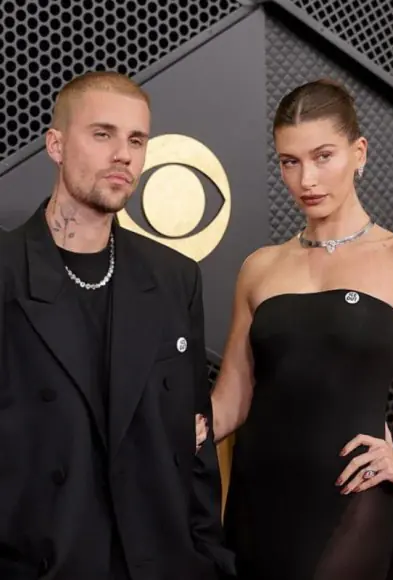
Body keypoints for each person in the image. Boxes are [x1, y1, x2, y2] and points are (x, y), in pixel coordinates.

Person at [204, 79, 393, 580]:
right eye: (290, 161)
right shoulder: (260, 267)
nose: (306, 178)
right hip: (255, 497)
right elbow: (231, 401)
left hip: (350, 498)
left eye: (323, 156)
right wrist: (164, 431)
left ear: (359, 153)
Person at [0, 71, 233, 579]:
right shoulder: (6, 271)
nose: (124, 154)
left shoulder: (174, 278)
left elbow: (195, 444)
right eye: (103, 134)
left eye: (136, 140)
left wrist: (209, 559)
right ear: (56, 145)